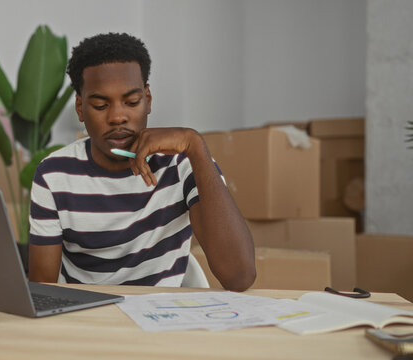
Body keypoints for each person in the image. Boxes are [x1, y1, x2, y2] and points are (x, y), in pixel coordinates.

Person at [27, 32, 255, 291]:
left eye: (132, 102)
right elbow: (43, 290)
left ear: (148, 99)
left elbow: (239, 277)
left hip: (163, 318)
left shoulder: (183, 164)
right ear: (80, 107)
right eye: (101, 106)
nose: (117, 117)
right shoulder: (53, 175)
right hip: (88, 319)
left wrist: (195, 145)